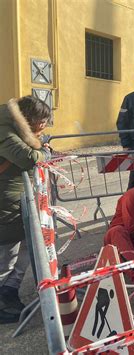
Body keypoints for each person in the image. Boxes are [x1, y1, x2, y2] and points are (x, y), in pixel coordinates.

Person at [0, 96, 52, 323]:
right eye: (43, 121)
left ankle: (9, 290)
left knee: (28, 247)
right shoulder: (4, 130)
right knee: (6, 255)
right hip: (5, 204)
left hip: (17, 201)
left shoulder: (15, 129)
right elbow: (28, 157)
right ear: (29, 119)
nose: (45, 126)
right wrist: (45, 153)